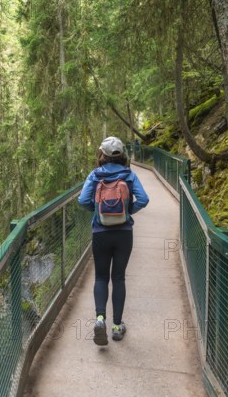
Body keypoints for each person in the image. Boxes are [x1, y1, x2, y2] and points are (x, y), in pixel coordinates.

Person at [78, 136, 149, 345]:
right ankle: (117, 327)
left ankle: (100, 319)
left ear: (103, 155)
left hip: (100, 232)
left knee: (101, 277)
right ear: (122, 155)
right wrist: (128, 211)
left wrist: (97, 212)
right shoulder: (129, 175)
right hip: (123, 233)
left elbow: (82, 200)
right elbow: (144, 199)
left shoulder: (95, 175)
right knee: (118, 278)